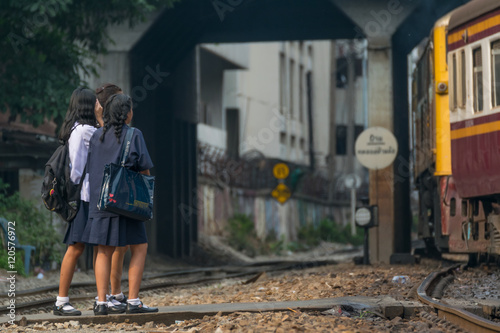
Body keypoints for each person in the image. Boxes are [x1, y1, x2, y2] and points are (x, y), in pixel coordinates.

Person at [82, 93, 158, 315]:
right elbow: (144, 168)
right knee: (140, 247)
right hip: (126, 202)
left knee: (104, 250)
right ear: (128, 114)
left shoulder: (96, 136)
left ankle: (101, 303)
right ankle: (133, 301)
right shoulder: (134, 135)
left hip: (101, 200)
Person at [53, 87, 104, 316]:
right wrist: (102, 119)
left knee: (81, 247)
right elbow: (111, 144)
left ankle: (99, 298)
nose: (98, 106)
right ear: (88, 106)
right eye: (95, 103)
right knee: (76, 247)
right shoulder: (86, 131)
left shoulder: (76, 128)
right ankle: (61, 302)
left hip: (85, 196)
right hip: (85, 197)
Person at [93, 84, 130, 308]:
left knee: (111, 247)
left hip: (102, 192)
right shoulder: (102, 131)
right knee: (110, 246)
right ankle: (109, 294)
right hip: (107, 194)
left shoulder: (101, 129)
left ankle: (107, 295)